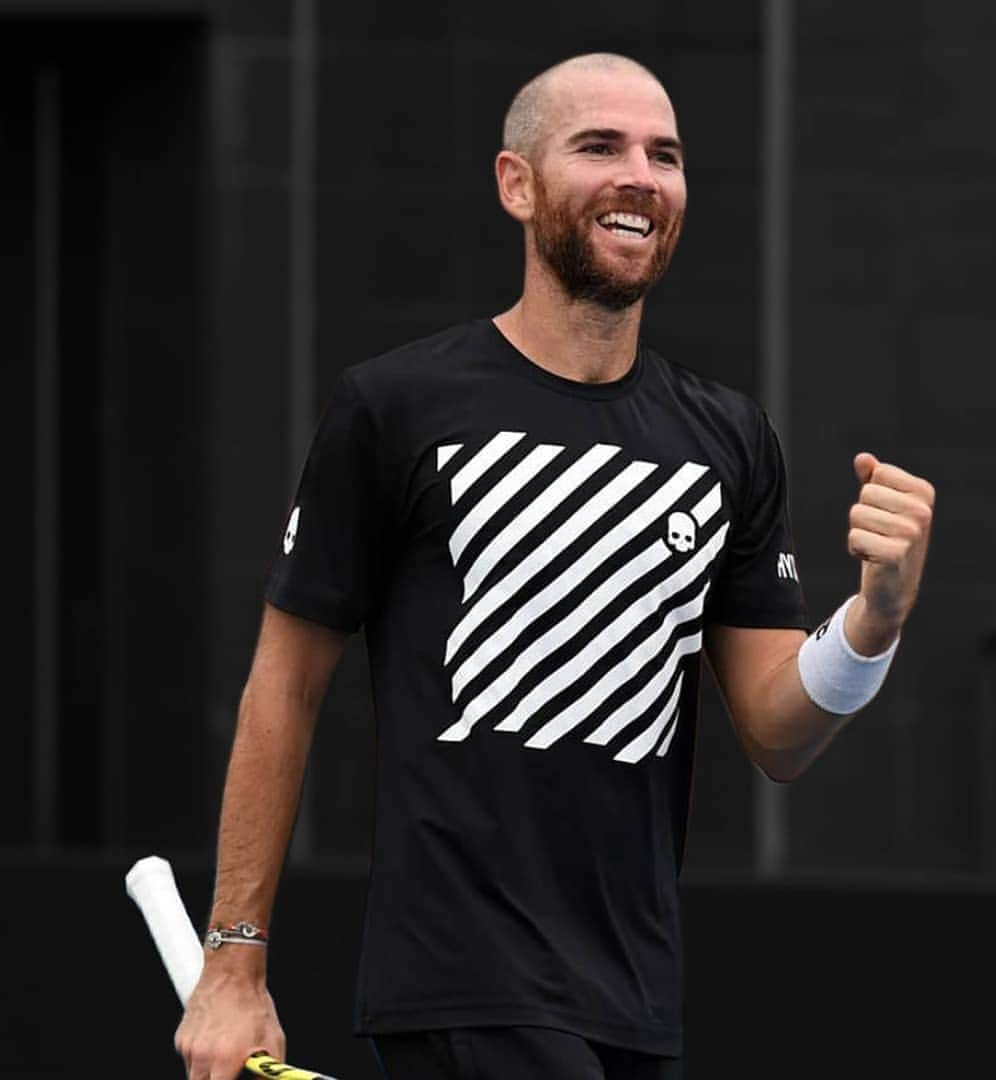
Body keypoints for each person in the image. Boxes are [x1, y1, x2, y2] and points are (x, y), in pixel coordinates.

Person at [175, 52, 935, 1080]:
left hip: (635, 1002)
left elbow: (777, 736)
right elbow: (284, 685)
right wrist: (234, 963)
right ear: (516, 183)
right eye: (600, 146)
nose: (641, 175)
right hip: (464, 983)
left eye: (664, 155)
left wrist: (872, 624)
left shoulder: (730, 439)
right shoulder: (395, 407)